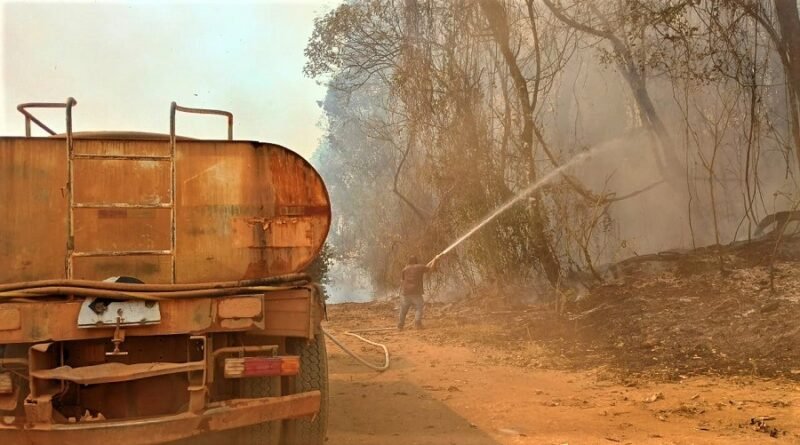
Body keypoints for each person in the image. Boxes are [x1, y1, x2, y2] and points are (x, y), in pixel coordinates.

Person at [398, 255, 437, 330]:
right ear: (416, 261)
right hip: (415, 292)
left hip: (405, 293)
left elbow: (402, 281)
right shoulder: (420, 267)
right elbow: (431, 269)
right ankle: (417, 323)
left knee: (403, 310)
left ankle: (400, 325)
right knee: (419, 307)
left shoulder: (404, 269)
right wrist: (435, 260)